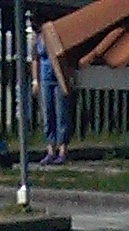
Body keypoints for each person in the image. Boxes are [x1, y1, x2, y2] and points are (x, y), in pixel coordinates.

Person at [31, 16, 72, 167]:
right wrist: (35, 80)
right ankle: (50, 149)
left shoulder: (55, 35)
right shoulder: (36, 39)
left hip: (59, 78)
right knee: (48, 114)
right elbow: (35, 59)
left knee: (61, 114)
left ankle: (62, 150)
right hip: (45, 79)